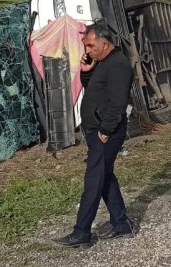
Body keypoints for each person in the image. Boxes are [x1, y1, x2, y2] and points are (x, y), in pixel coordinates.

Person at [53, 22, 134, 248]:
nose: (86, 50)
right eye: (85, 45)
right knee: (104, 177)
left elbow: (118, 104)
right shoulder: (103, 61)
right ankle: (121, 224)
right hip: (97, 130)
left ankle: (81, 233)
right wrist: (86, 72)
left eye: (90, 46)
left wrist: (106, 130)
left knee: (93, 180)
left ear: (105, 44)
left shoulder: (118, 65)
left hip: (105, 132)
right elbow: (96, 90)